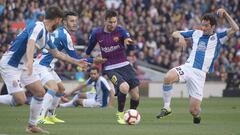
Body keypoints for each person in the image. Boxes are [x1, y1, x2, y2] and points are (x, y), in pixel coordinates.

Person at [0, 6, 87, 134]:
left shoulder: (46, 34)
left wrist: (76, 61)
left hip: (24, 65)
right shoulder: (38, 26)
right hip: (11, 64)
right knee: (20, 100)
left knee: (40, 92)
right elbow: (30, 42)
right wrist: (30, 61)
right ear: (57, 19)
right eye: (60, 20)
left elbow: (57, 53)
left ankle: (31, 126)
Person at [156, 8, 239, 124]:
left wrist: (225, 14)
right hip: (188, 68)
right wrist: (180, 36)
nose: (203, 28)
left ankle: (197, 115)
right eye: (202, 25)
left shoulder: (219, 38)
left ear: (213, 26)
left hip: (200, 75)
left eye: (206, 26)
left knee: (193, 110)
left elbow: (236, 29)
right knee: (168, 77)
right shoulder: (196, 33)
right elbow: (175, 33)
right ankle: (167, 107)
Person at [33, 11, 106, 125]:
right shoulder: (65, 36)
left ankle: (51, 115)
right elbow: (75, 59)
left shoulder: (58, 31)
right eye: (71, 21)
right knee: (53, 88)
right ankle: (39, 117)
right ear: (64, 22)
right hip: (41, 65)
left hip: (47, 65)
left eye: (76, 21)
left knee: (61, 89)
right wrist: (94, 60)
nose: (74, 23)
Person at [85, 10, 140, 124]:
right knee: (124, 87)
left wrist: (127, 41)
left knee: (135, 95)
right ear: (105, 20)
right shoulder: (96, 33)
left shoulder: (120, 30)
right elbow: (88, 50)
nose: (113, 24)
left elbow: (126, 38)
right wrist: (86, 61)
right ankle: (120, 114)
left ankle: (131, 114)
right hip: (110, 67)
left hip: (125, 65)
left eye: (115, 22)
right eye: (110, 22)